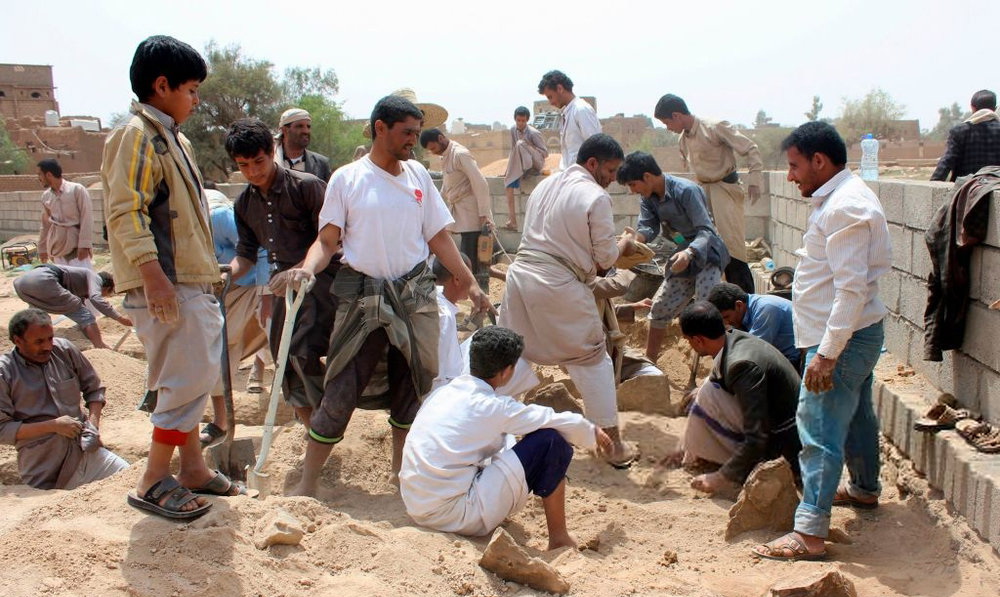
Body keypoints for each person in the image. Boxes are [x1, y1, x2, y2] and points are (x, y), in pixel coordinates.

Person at [284, 94, 491, 497]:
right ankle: (308, 483)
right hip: (363, 300)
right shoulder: (348, 178)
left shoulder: (418, 177)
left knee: (411, 388)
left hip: (413, 297)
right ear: (380, 128)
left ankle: (400, 477)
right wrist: (307, 269)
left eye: (417, 132)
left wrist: (470, 281)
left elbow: (438, 236)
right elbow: (327, 241)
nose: (414, 140)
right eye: (407, 132)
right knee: (341, 389)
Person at [103, 35, 242, 521]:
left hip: (188, 279)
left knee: (194, 377)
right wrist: (153, 276)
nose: (196, 100)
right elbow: (126, 211)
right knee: (185, 380)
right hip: (167, 283)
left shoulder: (172, 138)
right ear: (162, 86)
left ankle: (194, 468)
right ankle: (153, 479)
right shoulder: (135, 135)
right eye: (191, 90)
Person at [753, 121, 891, 561]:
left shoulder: (845, 208)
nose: (790, 175)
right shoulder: (839, 199)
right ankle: (865, 488)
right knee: (857, 416)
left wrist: (827, 354)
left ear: (819, 161)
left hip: (842, 340)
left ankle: (810, 532)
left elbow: (850, 291)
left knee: (817, 427)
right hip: (852, 333)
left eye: (795, 166)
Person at [400, 326, 612, 549]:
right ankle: (559, 537)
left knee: (508, 440)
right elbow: (551, 419)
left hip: (416, 504)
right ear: (506, 372)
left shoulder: (443, 393)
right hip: (453, 513)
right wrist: (593, 433)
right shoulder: (493, 406)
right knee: (551, 442)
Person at [500, 133, 637, 468]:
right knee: (593, 359)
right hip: (557, 284)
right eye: (610, 170)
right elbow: (605, 259)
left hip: (520, 279)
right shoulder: (596, 196)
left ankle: (489, 434)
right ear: (592, 163)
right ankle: (612, 446)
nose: (613, 178)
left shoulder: (545, 185)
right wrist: (626, 244)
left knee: (514, 357)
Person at [224, 118, 338, 432]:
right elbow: (246, 255)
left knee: (304, 353)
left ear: (272, 151)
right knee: (283, 360)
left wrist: (300, 270)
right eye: (243, 165)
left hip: (323, 282)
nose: (253, 171)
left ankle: (330, 422)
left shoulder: (307, 187)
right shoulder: (244, 204)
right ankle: (315, 431)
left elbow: (330, 240)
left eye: (258, 161)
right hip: (282, 290)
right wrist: (226, 275)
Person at [672, 302, 801, 495]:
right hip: (789, 424)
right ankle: (697, 454)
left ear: (698, 340)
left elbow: (756, 436)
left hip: (788, 446)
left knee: (707, 395)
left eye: (688, 340)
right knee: (703, 391)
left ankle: (737, 465)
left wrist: (721, 477)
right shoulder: (734, 338)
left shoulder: (741, 366)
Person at [615, 151, 729, 361]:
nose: (632, 191)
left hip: (707, 253)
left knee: (706, 311)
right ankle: (650, 364)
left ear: (647, 177)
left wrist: (690, 252)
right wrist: (633, 242)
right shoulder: (648, 198)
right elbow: (648, 227)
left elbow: (706, 230)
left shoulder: (686, 190)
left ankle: (717, 365)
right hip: (681, 256)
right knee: (660, 307)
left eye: (633, 184)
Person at [0, 309, 129, 490]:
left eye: (50, 338)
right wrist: (53, 426)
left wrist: (93, 426)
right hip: (44, 468)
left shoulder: (64, 350)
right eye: (39, 342)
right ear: (18, 341)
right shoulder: (5, 373)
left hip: (86, 452)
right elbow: (3, 429)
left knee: (132, 482)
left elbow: (94, 390)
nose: (47, 346)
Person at [654, 94, 762, 295]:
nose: (667, 128)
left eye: (667, 122)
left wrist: (755, 178)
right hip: (703, 192)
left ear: (676, 115)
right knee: (704, 245)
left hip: (724, 191)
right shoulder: (683, 140)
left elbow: (750, 148)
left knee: (732, 249)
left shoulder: (714, 127)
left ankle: (746, 302)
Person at [200, 189, 270, 446]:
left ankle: (304, 410)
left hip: (256, 286)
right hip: (219, 294)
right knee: (215, 352)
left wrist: (266, 294)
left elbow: (261, 250)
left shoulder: (218, 217)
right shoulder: (175, 230)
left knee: (280, 340)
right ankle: (222, 422)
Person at [419, 128, 493, 296]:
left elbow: (480, 183)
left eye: (434, 148)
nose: (434, 152)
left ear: (441, 138)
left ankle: (477, 293)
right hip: (458, 212)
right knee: (462, 256)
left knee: (471, 259)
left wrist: (484, 214)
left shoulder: (460, 154)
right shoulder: (446, 157)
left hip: (472, 215)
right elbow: (447, 187)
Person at [13, 265, 131, 349]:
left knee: (37, 317)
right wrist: (120, 318)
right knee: (87, 316)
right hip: (45, 279)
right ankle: (100, 346)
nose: (105, 296)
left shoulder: (80, 283)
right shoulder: (95, 277)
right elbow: (95, 299)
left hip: (21, 284)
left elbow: (79, 306)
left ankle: (25, 341)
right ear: (107, 287)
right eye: (108, 293)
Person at [707, 282, 799, 368]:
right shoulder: (747, 312)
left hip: (794, 362)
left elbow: (753, 350)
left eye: (727, 317)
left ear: (739, 305)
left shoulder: (766, 309)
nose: (726, 322)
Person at [36, 158, 95, 269]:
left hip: (76, 246)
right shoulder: (46, 196)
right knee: (63, 278)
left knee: (83, 278)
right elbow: (45, 225)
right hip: (58, 248)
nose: (39, 178)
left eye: (40, 174)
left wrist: (84, 244)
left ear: (49, 175)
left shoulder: (77, 190)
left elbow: (87, 218)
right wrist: (42, 248)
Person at [931, 89, 1000, 182]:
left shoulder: (960, 131)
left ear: (972, 107)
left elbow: (947, 162)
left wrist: (934, 183)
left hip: (966, 188)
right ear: (994, 109)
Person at [538, 70, 601, 170]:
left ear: (560, 89)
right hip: (569, 173)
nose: (551, 102)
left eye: (550, 97)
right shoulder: (567, 113)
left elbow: (596, 146)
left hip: (582, 174)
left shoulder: (581, 110)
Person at [503, 106, 548, 230]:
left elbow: (545, 153)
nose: (520, 123)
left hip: (536, 162)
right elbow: (513, 151)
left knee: (521, 144)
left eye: (523, 121)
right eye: (518, 120)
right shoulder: (513, 130)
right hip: (521, 161)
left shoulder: (534, 133)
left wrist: (528, 147)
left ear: (527, 120)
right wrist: (507, 170)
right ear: (515, 119)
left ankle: (525, 169)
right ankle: (512, 220)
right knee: (508, 183)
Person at [273, 108, 333, 182]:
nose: (306, 131)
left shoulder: (321, 164)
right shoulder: (271, 161)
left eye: (308, 127)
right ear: (285, 130)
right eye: (300, 126)